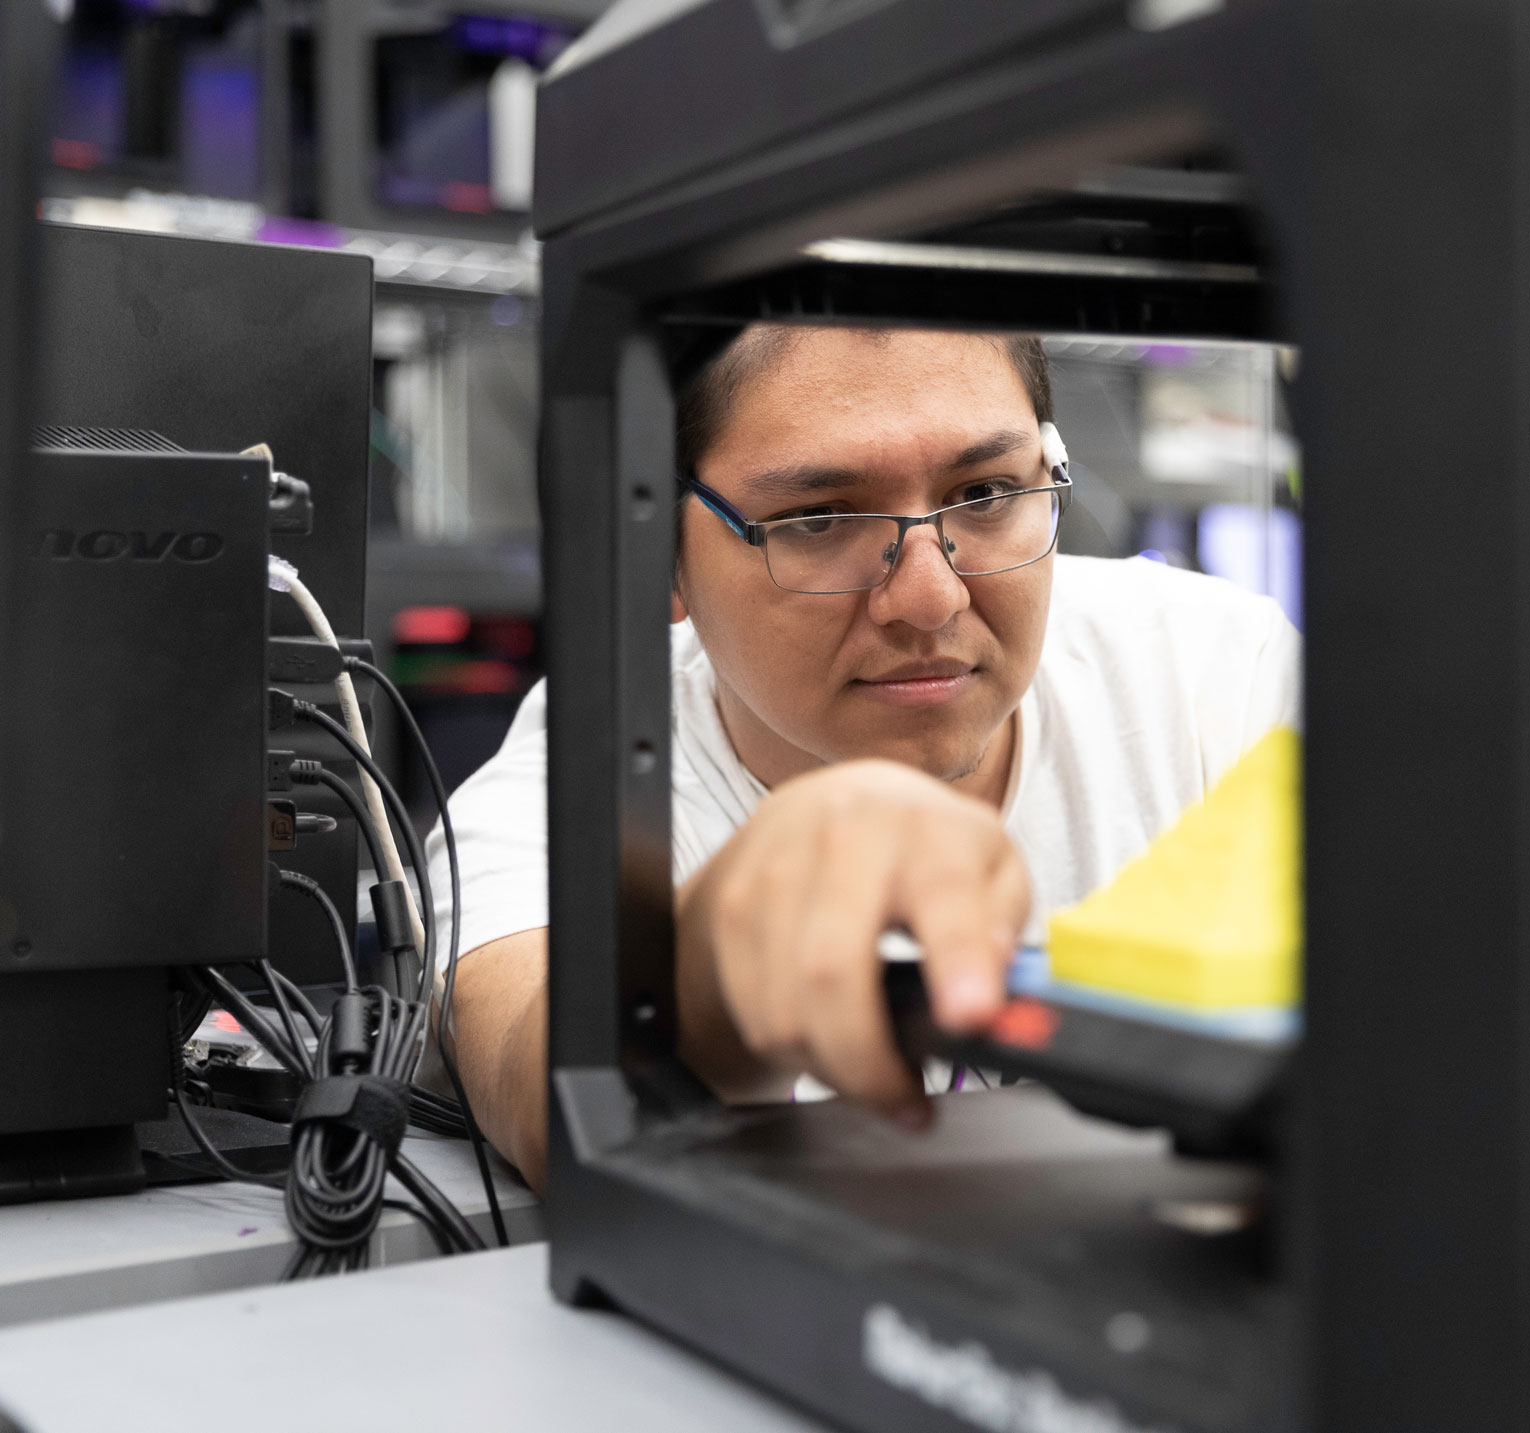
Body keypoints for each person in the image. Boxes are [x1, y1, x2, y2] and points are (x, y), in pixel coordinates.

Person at [434, 324, 1299, 1188]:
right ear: (653, 548)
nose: (930, 597)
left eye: (988, 491)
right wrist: (705, 972)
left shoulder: (1213, 680)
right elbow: (539, 1085)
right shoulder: (581, 778)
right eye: (820, 518)